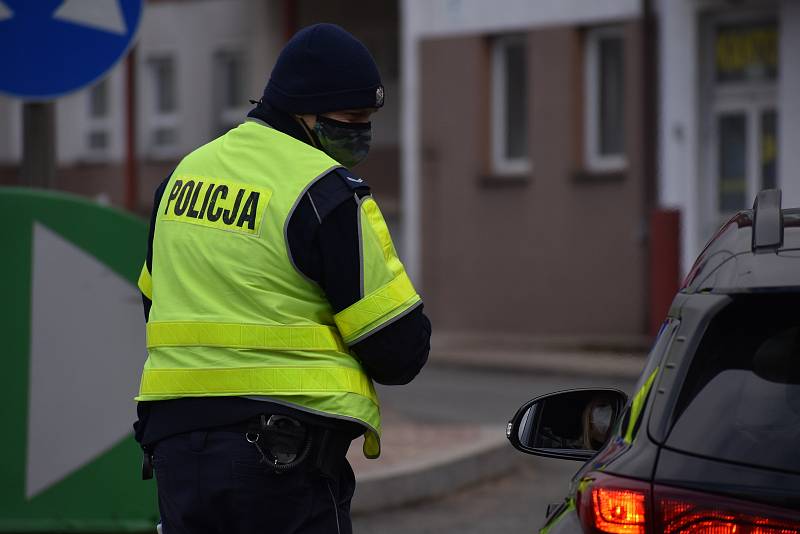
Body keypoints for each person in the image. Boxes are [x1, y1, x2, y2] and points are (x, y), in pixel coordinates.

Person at [133, 23, 431, 534]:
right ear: (305, 113)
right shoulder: (325, 193)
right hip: (281, 462)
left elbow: (154, 303)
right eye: (352, 118)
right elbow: (399, 350)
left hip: (177, 452)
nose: (361, 131)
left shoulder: (179, 179)